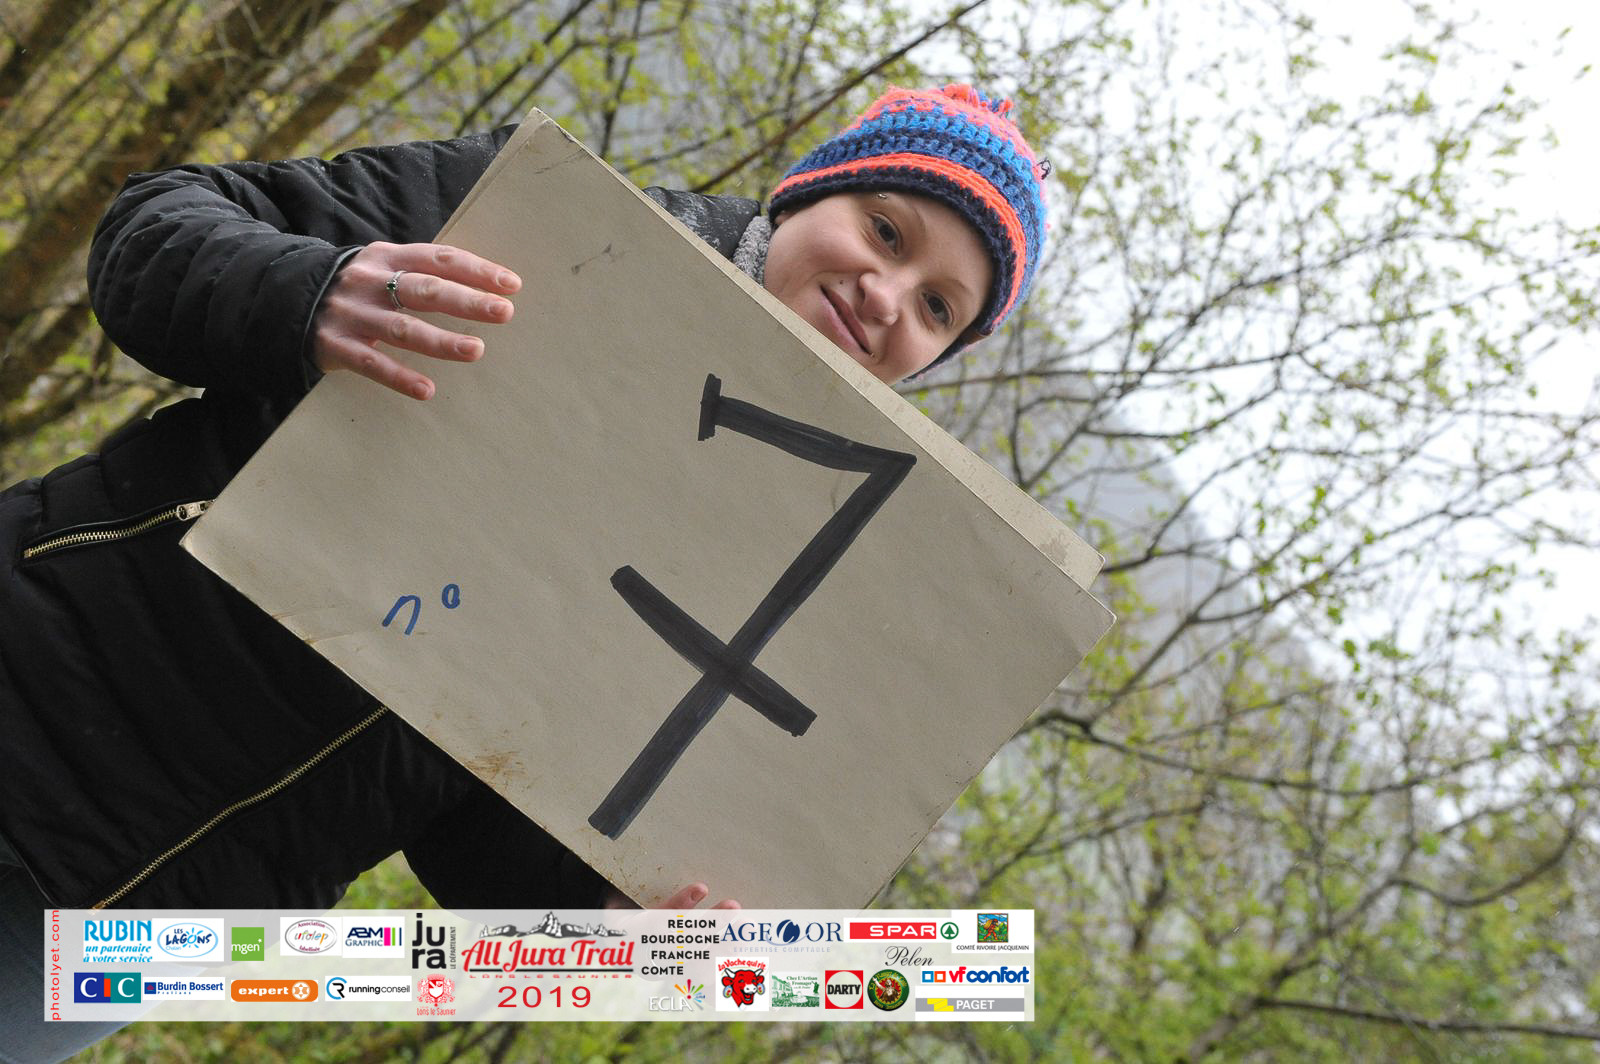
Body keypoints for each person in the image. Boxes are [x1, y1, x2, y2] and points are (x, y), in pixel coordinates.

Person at [0, 83, 1046, 1062]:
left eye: (938, 308)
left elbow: (472, 828)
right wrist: (315, 292)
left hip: (135, 930)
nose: (887, 295)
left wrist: (604, 917)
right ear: (808, 193)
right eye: (885, 231)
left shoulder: (782, 563)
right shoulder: (537, 221)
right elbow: (149, 229)